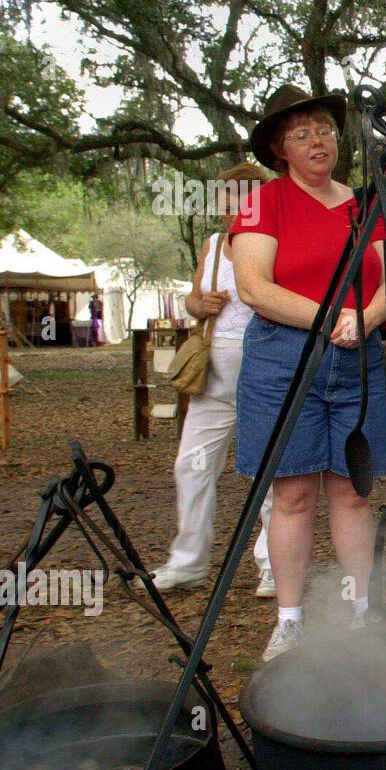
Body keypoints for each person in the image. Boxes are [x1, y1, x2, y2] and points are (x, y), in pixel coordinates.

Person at [231, 85, 386, 661]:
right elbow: (255, 286)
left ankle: (359, 611)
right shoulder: (262, 202)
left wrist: (367, 319)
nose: (316, 141)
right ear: (280, 149)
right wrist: (331, 319)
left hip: (360, 357)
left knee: (352, 491)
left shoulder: (361, 204)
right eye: (300, 134)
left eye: (323, 129)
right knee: (294, 493)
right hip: (283, 358)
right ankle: (291, 619)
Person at [150, 162, 276, 597]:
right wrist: (198, 304)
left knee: (272, 471)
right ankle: (187, 562)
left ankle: (274, 563)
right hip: (215, 376)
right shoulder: (214, 245)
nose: (228, 207)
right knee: (192, 465)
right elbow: (191, 297)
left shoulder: (277, 241)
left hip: (266, 371)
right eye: (223, 198)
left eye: (237, 197)